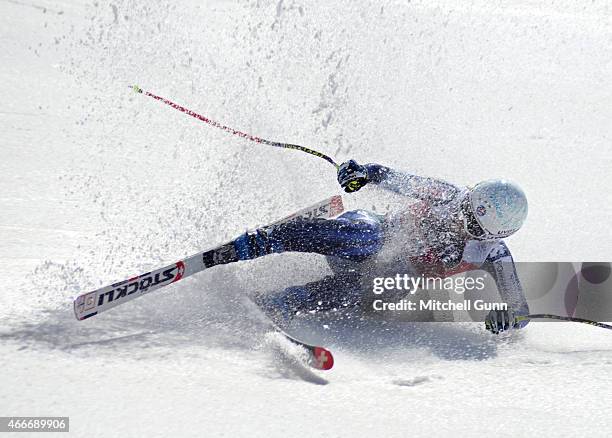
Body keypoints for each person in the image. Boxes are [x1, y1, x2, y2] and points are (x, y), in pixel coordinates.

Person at [232, 160, 530, 334]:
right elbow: (395, 179)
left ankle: (285, 301)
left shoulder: (495, 254)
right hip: (365, 235)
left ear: (490, 235)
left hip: (383, 279)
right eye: (466, 206)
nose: (459, 218)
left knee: (390, 284)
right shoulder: (449, 195)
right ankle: (266, 240)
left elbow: (521, 312)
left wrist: (507, 317)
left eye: (472, 226)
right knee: (369, 236)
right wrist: (362, 172)